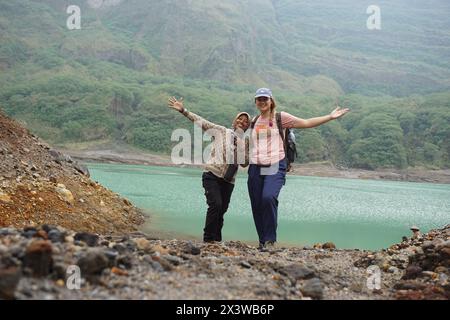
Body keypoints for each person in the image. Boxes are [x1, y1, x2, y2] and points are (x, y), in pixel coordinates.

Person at [247, 88, 349, 251]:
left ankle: (270, 240)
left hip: (275, 164)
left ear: (271, 100)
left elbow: (306, 122)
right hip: (255, 167)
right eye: (259, 99)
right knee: (257, 204)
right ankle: (262, 241)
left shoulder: (281, 118)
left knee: (268, 198)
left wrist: (330, 117)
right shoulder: (254, 121)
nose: (262, 101)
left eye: (265, 99)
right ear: (255, 102)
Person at [168, 97, 250, 243]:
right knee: (215, 205)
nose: (242, 122)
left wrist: (242, 146)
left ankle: (217, 240)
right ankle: (207, 240)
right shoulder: (221, 131)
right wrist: (183, 111)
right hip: (212, 175)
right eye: (240, 119)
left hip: (229, 181)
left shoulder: (244, 142)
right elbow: (202, 122)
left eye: (245, 122)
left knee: (222, 211)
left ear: (246, 127)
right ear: (234, 121)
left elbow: (244, 164)